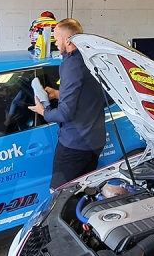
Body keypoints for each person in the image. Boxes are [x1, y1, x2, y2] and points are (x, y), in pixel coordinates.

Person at [29, 18, 107, 188]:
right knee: (84, 189)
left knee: (58, 193)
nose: (56, 44)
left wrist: (43, 111)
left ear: (67, 40)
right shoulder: (92, 59)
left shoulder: (71, 65)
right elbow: (92, 95)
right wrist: (58, 94)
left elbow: (64, 114)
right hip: (96, 141)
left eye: (57, 39)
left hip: (75, 145)